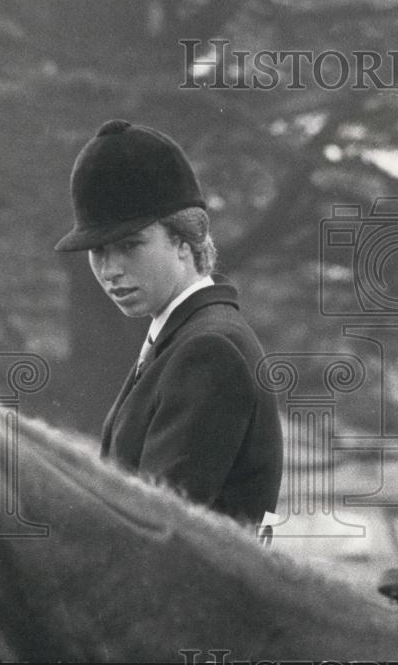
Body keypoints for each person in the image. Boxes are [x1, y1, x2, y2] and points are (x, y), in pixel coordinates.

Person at [55, 119, 282, 526]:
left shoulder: (208, 349)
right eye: (97, 250)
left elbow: (154, 529)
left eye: (129, 245)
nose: (109, 270)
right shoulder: (188, 337)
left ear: (184, 240)